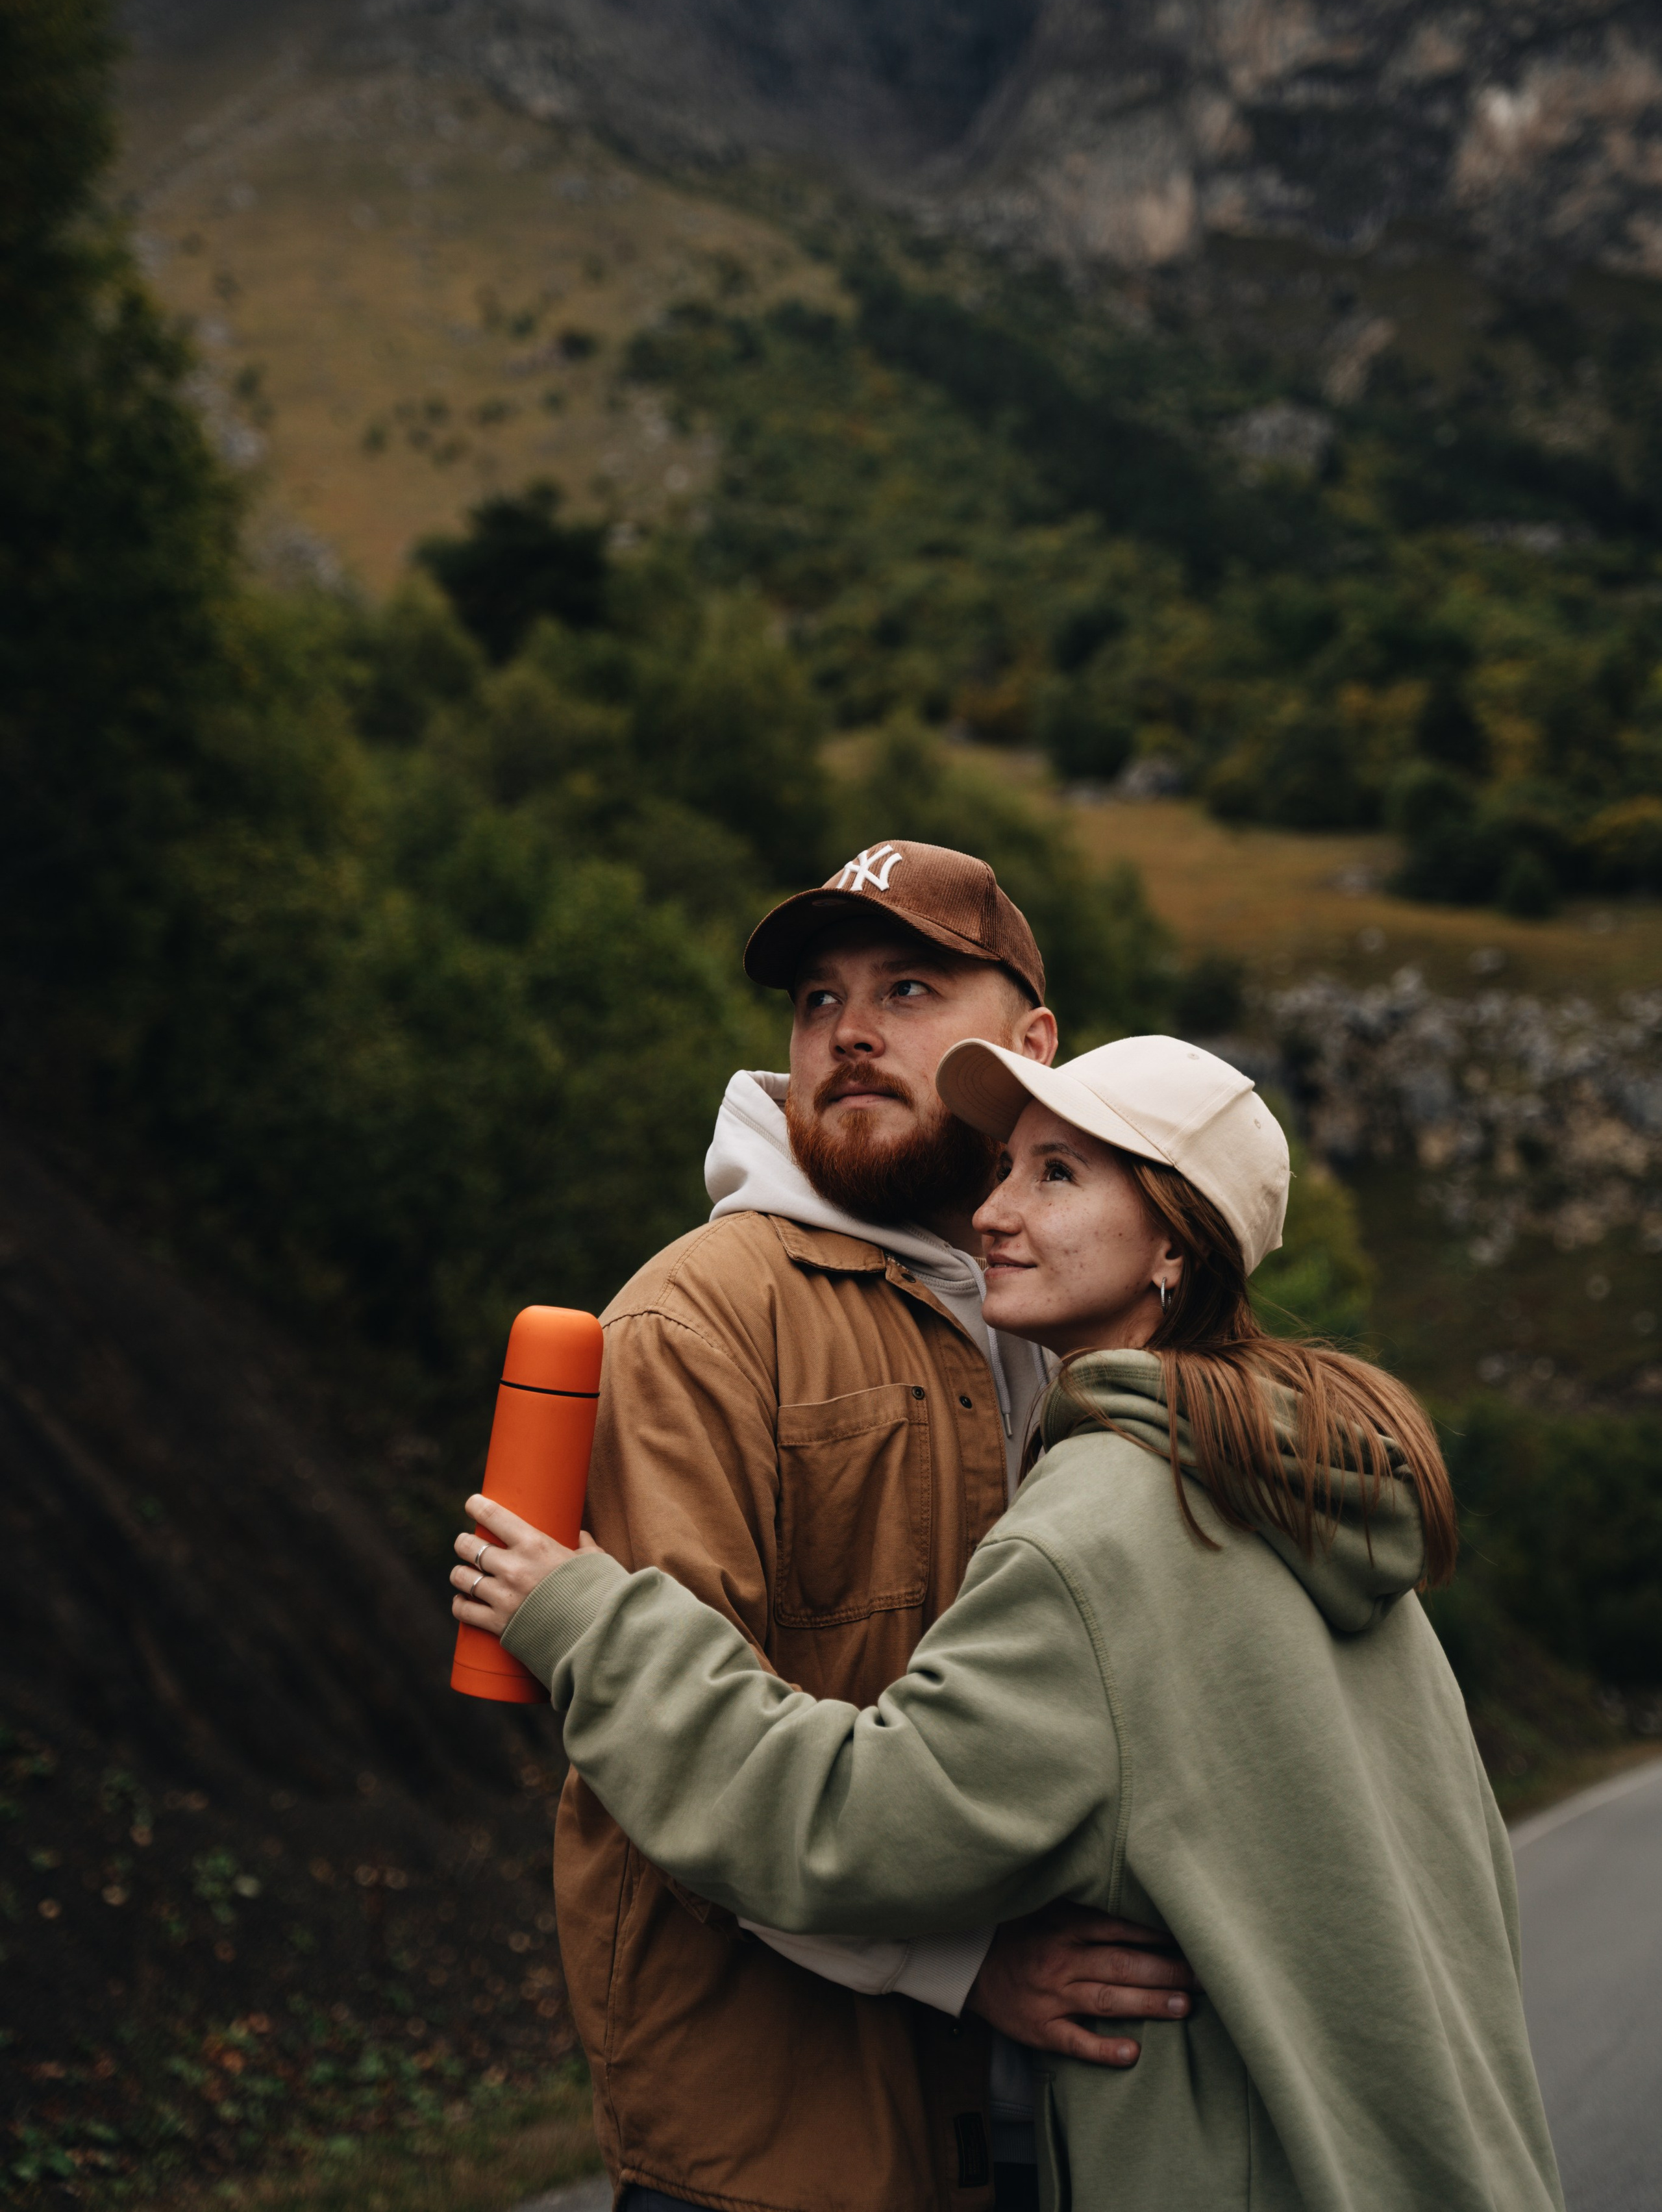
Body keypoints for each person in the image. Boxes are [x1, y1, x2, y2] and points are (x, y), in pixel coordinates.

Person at [454, 1033, 1565, 2212]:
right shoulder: (1305, 1492)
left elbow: (845, 1829)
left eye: (1058, 1176)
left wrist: (587, 1622)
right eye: (1005, 1170)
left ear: (1176, 1245)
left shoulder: (1103, 1527)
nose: (994, 1212)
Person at [536, 842, 1200, 2212]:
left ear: (1028, 1048)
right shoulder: (694, 1322)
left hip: (1059, 2118)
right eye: (817, 1000)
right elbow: (662, 1749)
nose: (847, 1032)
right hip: (775, 2137)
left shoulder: (1062, 1312)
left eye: (905, 989)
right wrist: (966, 1964)